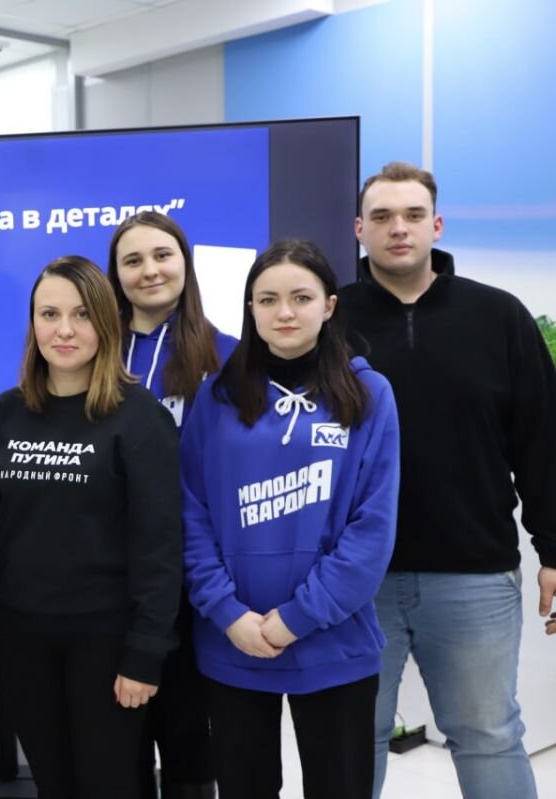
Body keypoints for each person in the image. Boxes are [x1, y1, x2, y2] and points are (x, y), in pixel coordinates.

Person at [342, 161, 556, 799]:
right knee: (350, 738)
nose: (398, 228)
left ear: (436, 225)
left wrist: (553, 550)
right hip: (353, 580)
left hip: (474, 577)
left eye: (413, 215)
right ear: (359, 229)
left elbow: (543, 441)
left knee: (488, 735)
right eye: (382, 217)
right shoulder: (330, 322)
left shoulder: (499, 316)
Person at [180, 240, 400, 799]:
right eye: (268, 299)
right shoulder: (216, 397)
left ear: (329, 306)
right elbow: (191, 513)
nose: (284, 312)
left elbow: (371, 531)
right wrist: (228, 613)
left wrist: (297, 618)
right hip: (233, 641)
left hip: (334, 643)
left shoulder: (369, 394)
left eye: (301, 298)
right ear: (250, 309)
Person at [0, 256, 183, 799]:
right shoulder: (7, 413)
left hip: (107, 643)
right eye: (49, 314)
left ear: (106, 323)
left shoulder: (139, 416)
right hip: (23, 640)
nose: (63, 330)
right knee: (54, 784)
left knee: (109, 785)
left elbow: (159, 548)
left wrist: (145, 654)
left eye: (81, 314)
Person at [107, 211, 237, 799]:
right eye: (132, 260)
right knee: (121, 743)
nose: (150, 270)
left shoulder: (228, 356)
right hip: (113, 584)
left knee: (190, 744)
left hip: (198, 585)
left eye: (162, 255)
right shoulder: (94, 356)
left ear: (185, 263)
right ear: (115, 275)